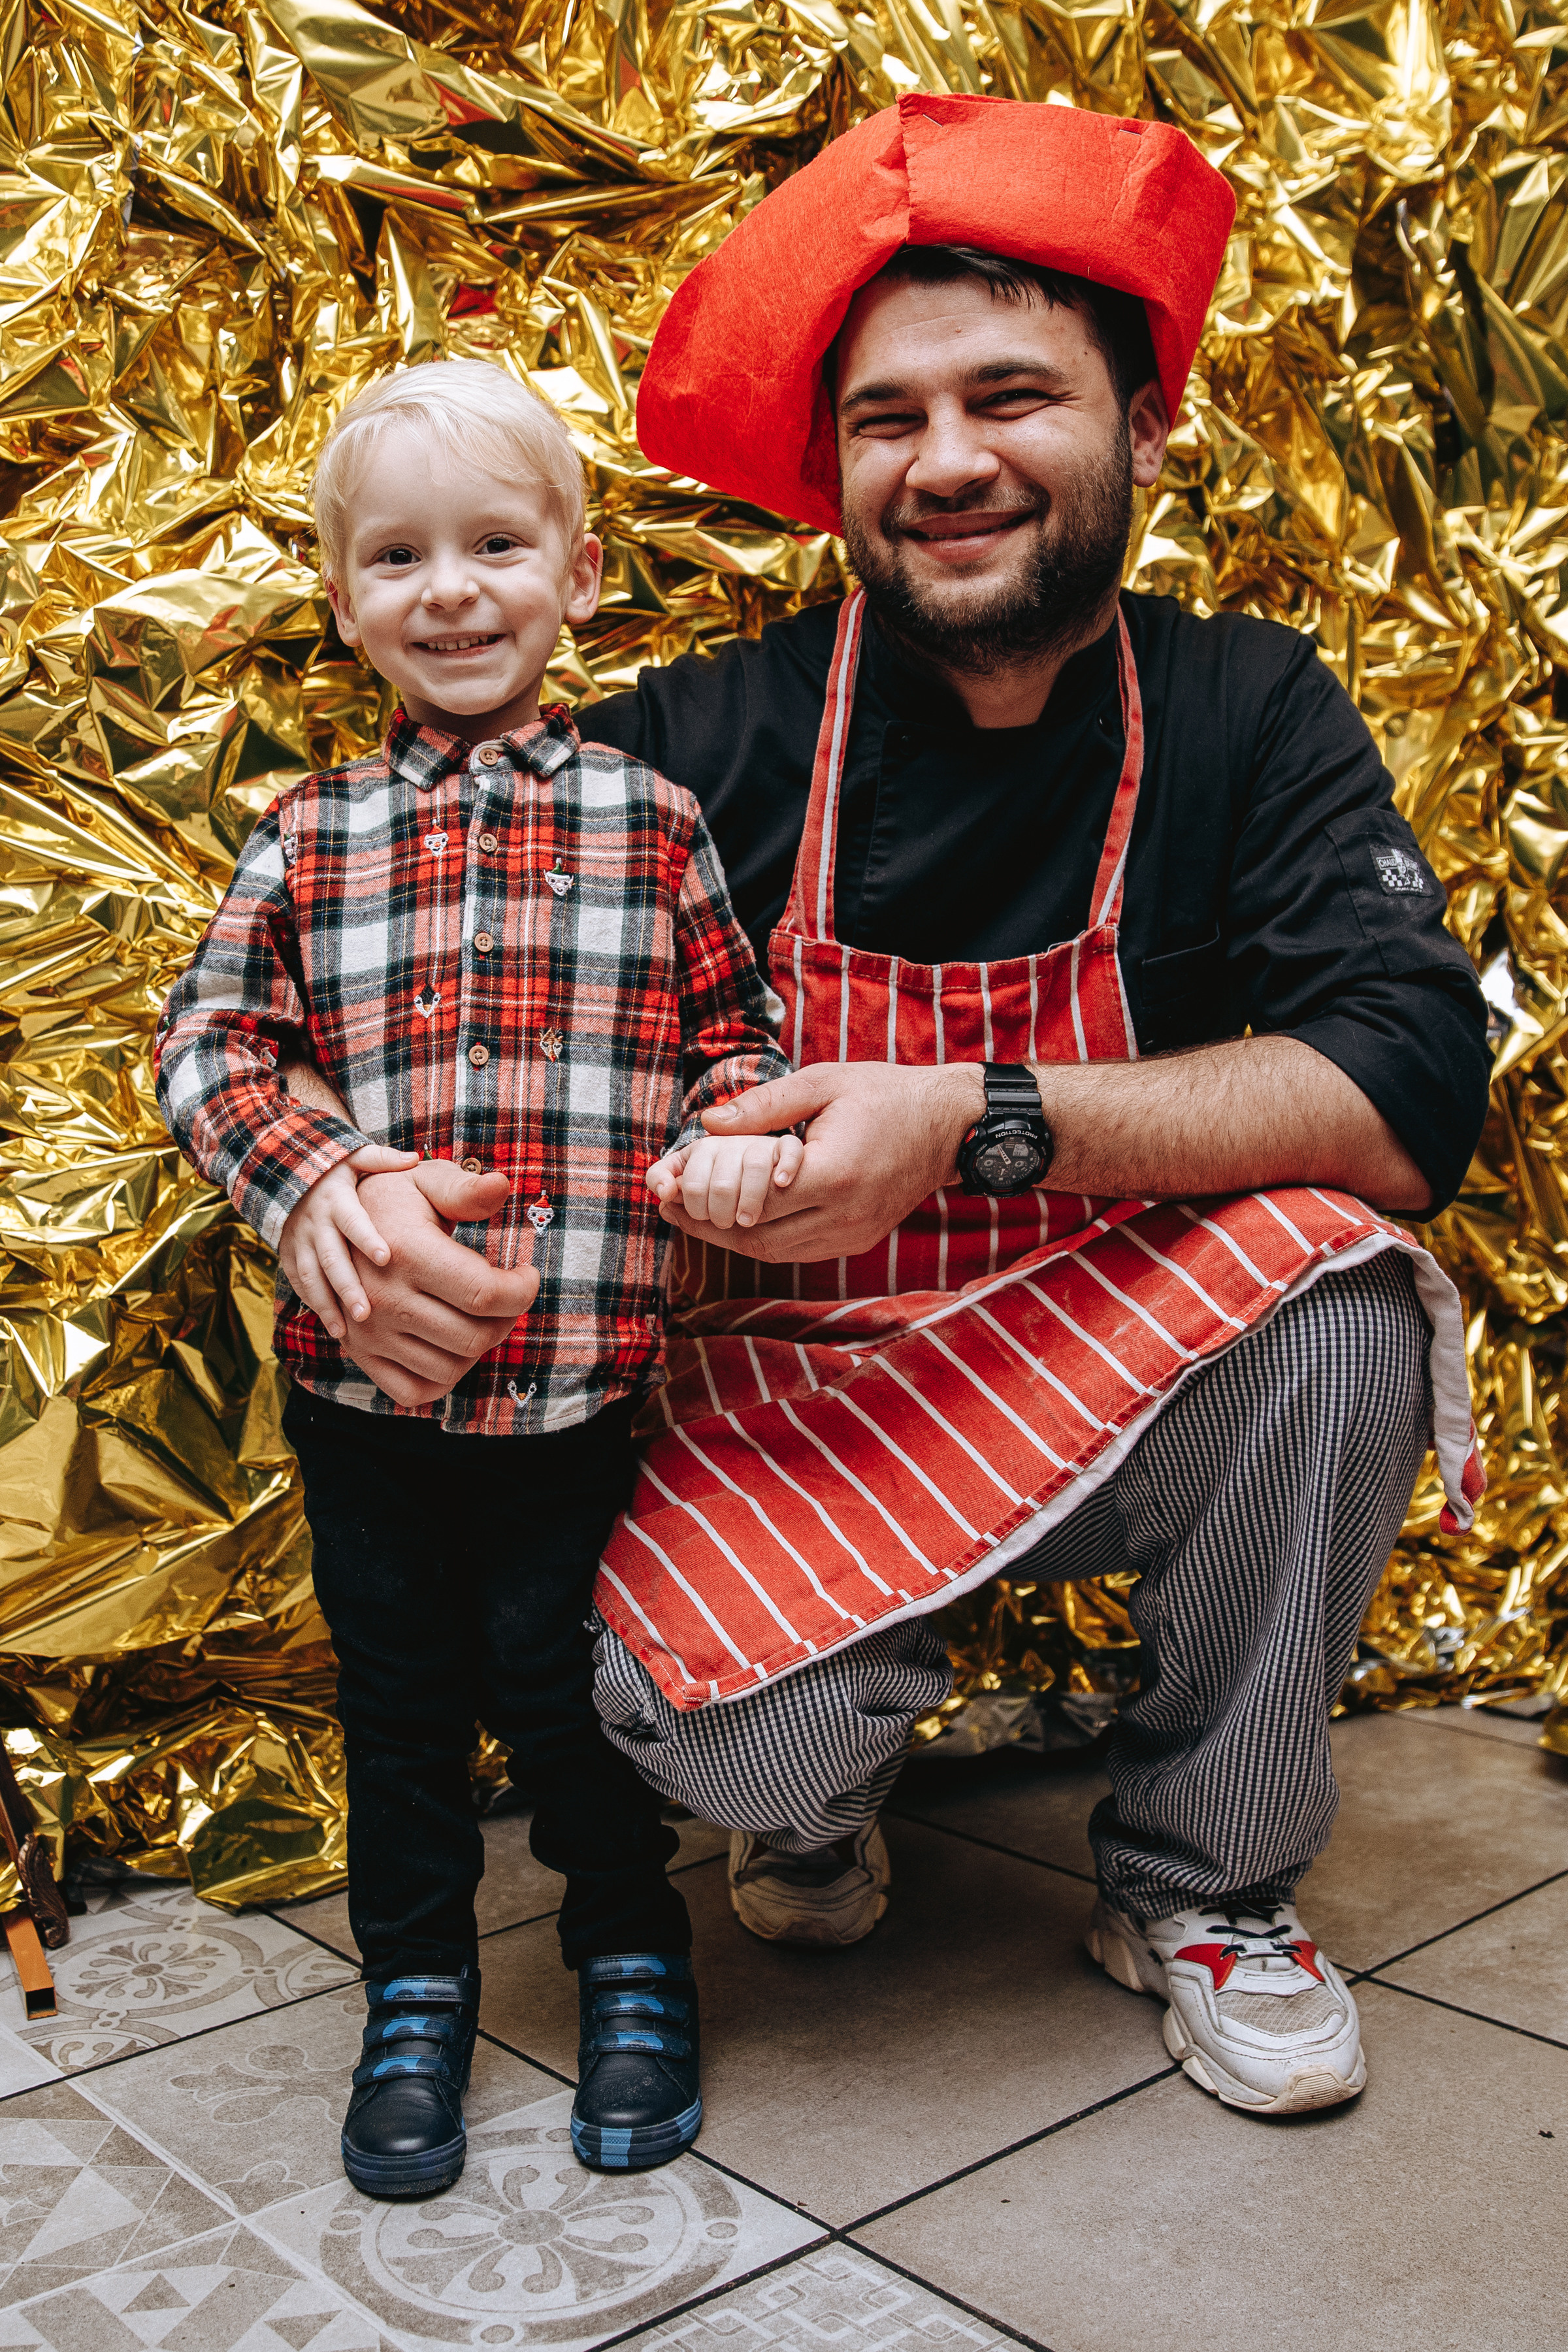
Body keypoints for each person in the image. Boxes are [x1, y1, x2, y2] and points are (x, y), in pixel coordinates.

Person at [289, 99, 1492, 2123]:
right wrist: (329, 1187)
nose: (947, 463)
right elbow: (410, 1000)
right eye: (885, 420)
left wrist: (968, 1120)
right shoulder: (698, 742)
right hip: (796, 1406)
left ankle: (1205, 1882)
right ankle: (816, 1783)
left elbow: (1402, 1091)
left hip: (1127, 1374)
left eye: (1011, 396)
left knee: (1350, 1291)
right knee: (691, 1720)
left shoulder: (1246, 711)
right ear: (835, 471)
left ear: (1143, 423)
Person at [154, 359, 799, 2195]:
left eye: (496, 544)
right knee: (401, 1697)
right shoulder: (308, 836)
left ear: (579, 575)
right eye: (401, 555)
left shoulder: (652, 827)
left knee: (577, 1684)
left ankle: (629, 1961)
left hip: (588, 1373)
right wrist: (316, 1179)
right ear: (347, 599)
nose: (451, 589)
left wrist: (740, 1138)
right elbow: (209, 1047)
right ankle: (419, 1983)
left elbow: (735, 1036)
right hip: (365, 1391)